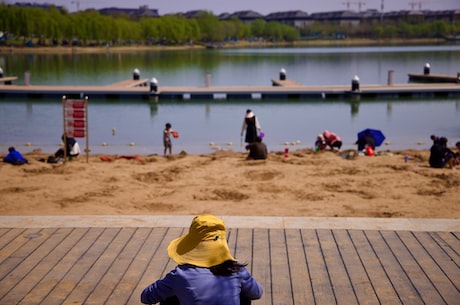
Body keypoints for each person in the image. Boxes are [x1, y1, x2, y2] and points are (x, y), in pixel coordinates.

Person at [141, 214, 263, 305]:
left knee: (169, 298)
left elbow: (146, 297)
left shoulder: (181, 274)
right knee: (244, 295)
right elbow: (257, 293)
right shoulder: (237, 270)